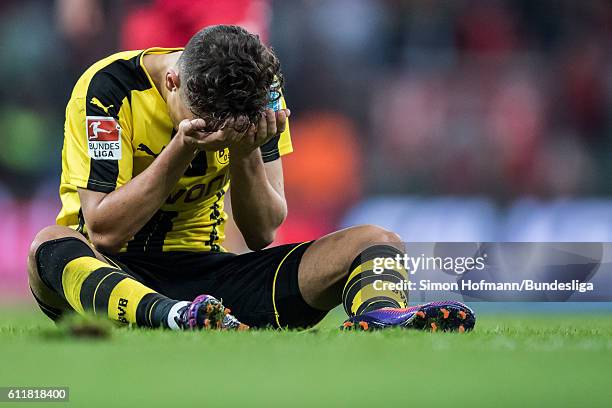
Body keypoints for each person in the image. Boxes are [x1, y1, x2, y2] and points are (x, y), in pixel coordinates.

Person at [27, 25, 475, 332]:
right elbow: (104, 231)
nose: (213, 131)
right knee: (48, 244)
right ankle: (175, 316)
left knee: (379, 241)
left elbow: (262, 233)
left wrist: (243, 154)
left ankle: (380, 319)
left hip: (210, 282)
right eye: (204, 122)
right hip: (109, 272)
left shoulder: (260, 91)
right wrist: (181, 148)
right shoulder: (107, 90)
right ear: (172, 82)